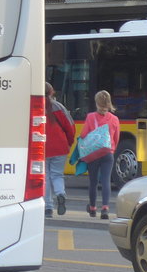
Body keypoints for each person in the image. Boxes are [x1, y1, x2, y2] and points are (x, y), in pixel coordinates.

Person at [82, 90, 121, 219]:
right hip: (108, 153)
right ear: (109, 103)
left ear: (96, 102)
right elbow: (116, 138)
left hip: (93, 154)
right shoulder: (114, 119)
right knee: (105, 181)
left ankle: (92, 208)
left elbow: (83, 135)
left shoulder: (90, 117)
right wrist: (111, 150)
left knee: (93, 182)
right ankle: (105, 208)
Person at [43, 83, 75, 218]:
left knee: (45, 177)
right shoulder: (58, 107)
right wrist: (69, 142)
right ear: (52, 92)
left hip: (41, 147)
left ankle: (48, 207)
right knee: (57, 175)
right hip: (60, 146)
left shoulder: (33, 106)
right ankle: (60, 194)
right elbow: (70, 126)